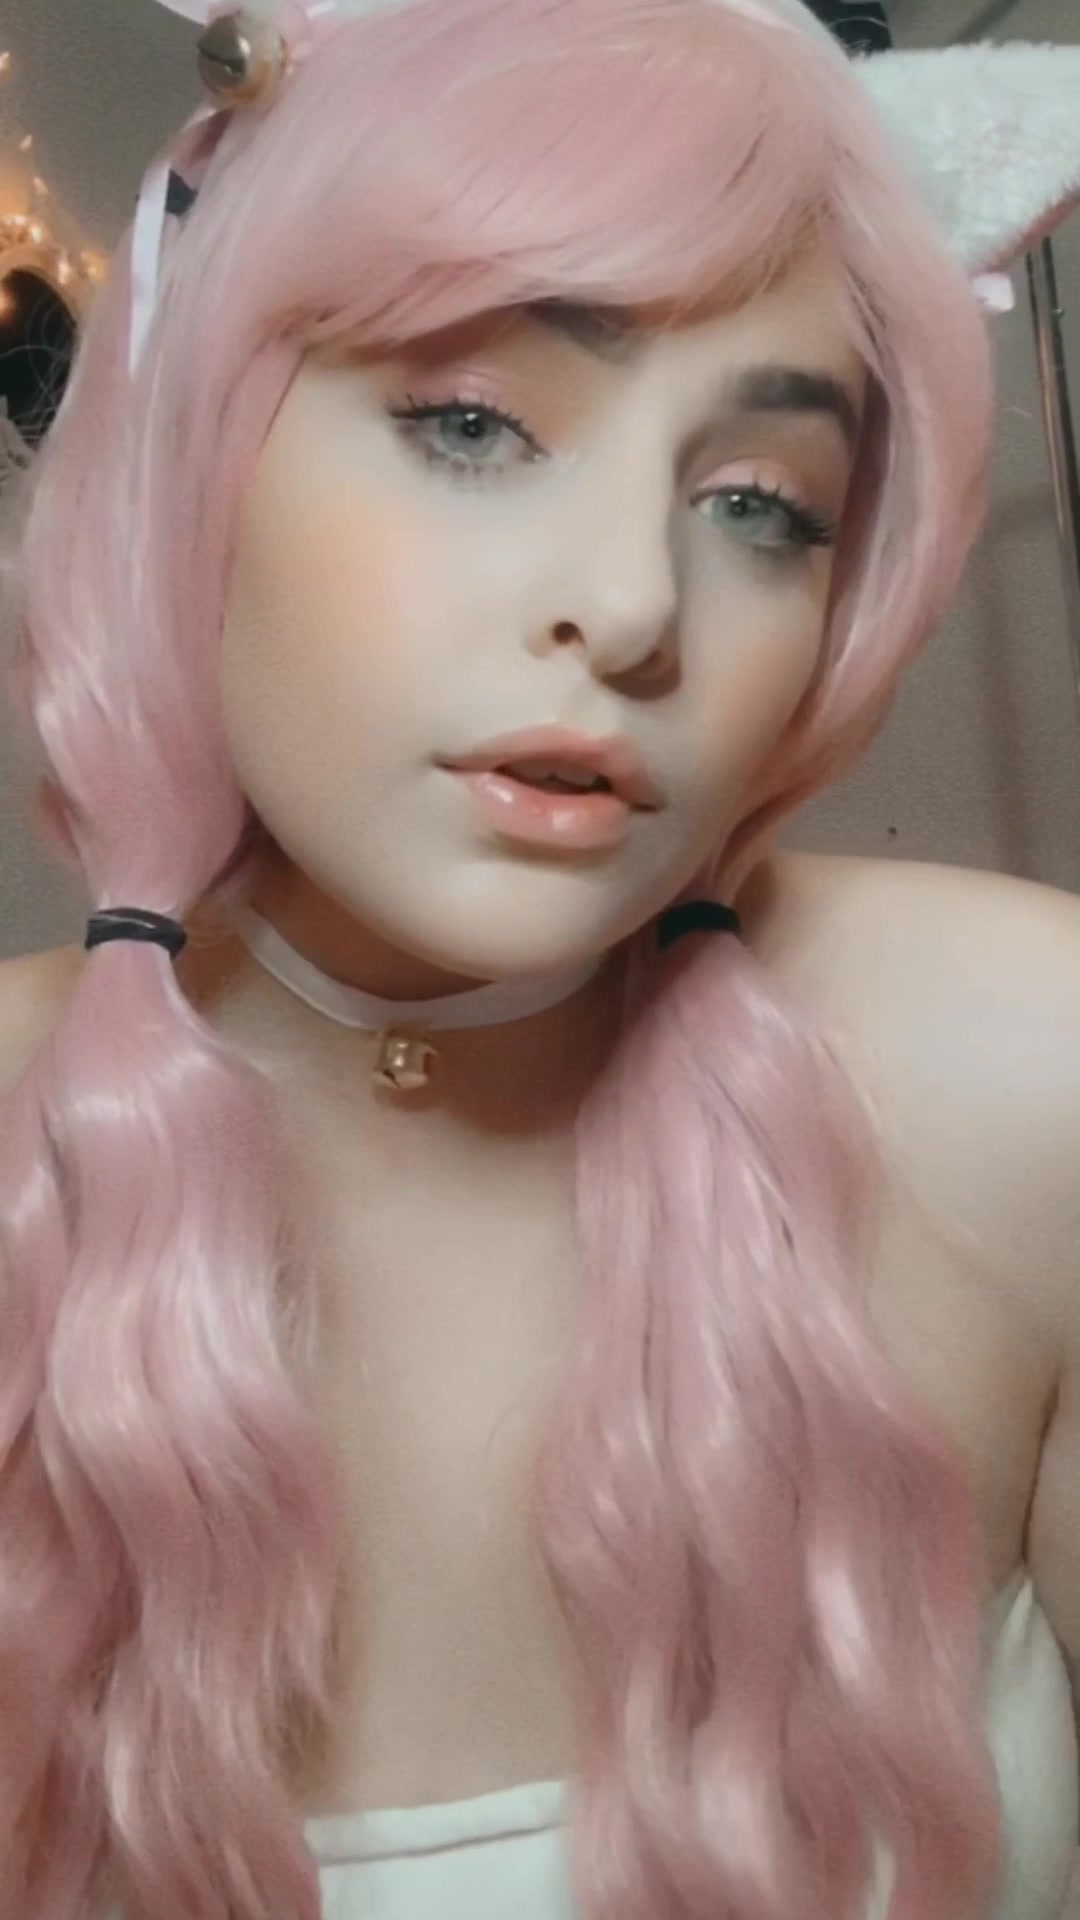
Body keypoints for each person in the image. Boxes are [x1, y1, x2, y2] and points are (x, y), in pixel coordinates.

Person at [1, 0, 1079, 1915]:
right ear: (190, 451)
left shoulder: (1023, 1072)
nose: (637, 602)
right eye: (474, 424)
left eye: (763, 506)